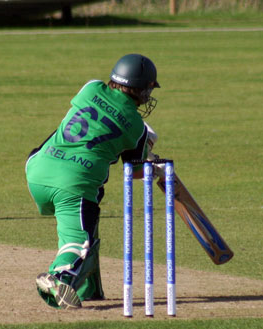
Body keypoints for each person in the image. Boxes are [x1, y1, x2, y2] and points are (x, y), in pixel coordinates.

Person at [25, 53, 160, 309]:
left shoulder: (90, 87)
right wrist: (149, 161)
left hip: (36, 168)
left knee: (90, 223)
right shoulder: (138, 128)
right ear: (142, 90)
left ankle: (89, 289)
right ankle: (58, 276)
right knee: (80, 245)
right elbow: (135, 171)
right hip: (73, 186)